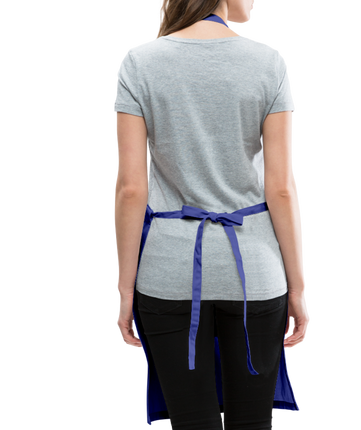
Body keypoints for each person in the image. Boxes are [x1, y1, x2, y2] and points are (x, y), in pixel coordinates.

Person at [113, 0, 312, 428]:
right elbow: (281, 188)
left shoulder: (139, 61)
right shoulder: (268, 60)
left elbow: (130, 189)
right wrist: (299, 288)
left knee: (190, 421)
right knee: (253, 420)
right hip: (255, 273)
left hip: (167, 272)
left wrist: (125, 291)